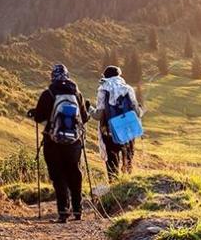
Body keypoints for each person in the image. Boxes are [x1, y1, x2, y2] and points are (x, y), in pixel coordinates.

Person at [28, 64, 88, 223]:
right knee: (74, 173)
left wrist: (34, 112)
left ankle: (63, 212)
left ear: (52, 76)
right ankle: (78, 210)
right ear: (67, 76)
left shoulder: (48, 93)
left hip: (52, 141)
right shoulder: (77, 93)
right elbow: (84, 117)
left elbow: (39, 117)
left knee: (58, 175)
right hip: (74, 142)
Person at [88, 65, 143, 181]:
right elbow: (137, 112)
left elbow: (98, 115)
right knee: (127, 159)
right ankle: (128, 184)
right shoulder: (127, 88)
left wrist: (89, 108)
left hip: (109, 132)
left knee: (112, 161)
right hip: (127, 131)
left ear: (106, 76)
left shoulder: (103, 89)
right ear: (119, 76)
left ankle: (113, 185)